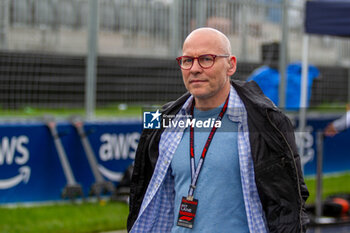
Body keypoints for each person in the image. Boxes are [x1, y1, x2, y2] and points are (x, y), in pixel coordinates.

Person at [127, 27, 309, 233]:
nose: (195, 68)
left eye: (206, 59)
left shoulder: (268, 121)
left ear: (231, 65)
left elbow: (289, 203)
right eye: (187, 60)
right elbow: (147, 194)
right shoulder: (162, 122)